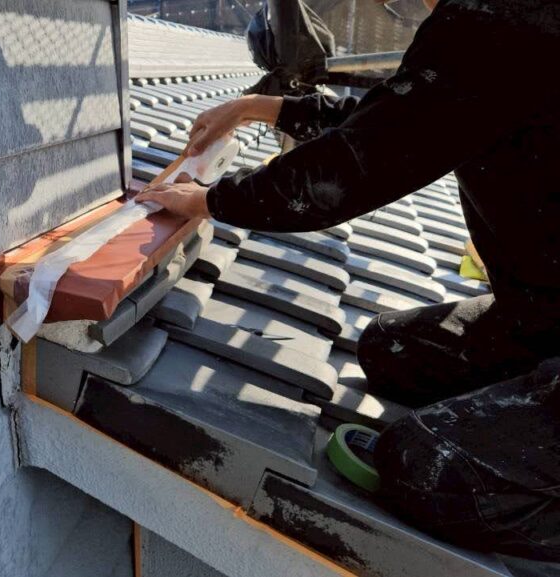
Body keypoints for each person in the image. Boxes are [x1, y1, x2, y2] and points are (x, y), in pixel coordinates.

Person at [136, 0, 560, 562]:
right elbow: (404, 118)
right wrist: (259, 108)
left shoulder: (504, 17)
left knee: (427, 470)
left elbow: (355, 166)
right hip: (543, 316)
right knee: (392, 351)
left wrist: (211, 200)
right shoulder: (499, 29)